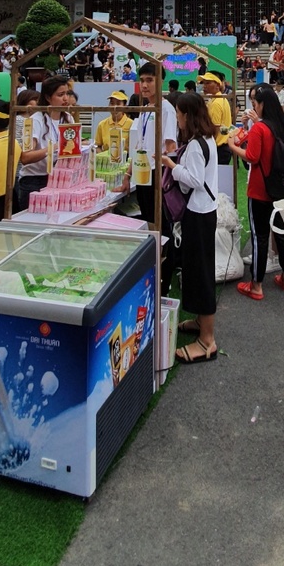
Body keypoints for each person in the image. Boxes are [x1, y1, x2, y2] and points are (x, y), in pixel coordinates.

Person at [162, 92, 219, 363]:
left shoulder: (197, 144)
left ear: (187, 115)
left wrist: (171, 166)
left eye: (178, 114)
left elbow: (193, 180)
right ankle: (200, 322)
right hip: (204, 210)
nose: (178, 120)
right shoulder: (207, 138)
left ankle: (207, 340)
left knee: (201, 273)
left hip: (198, 213)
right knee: (198, 270)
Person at [229, 84, 284, 299]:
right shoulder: (283, 126)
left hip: (260, 190)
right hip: (282, 190)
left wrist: (232, 145)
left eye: (255, 103)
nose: (254, 107)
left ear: (262, 105)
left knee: (260, 236)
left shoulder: (260, 128)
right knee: (282, 233)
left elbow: (252, 156)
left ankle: (256, 285)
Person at [120, 62, 177, 227]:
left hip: (157, 172)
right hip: (141, 171)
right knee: (147, 217)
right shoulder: (145, 109)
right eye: (142, 80)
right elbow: (139, 146)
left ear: (160, 81)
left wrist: (164, 174)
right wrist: (128, 175)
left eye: (150, 80)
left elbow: (171, 147)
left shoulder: (166, 109)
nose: (144, 85)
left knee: (160, 219)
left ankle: (163, 252)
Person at [16, 76, 75, 212]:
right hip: (34, 181)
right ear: (48, 98)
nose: (66, 99)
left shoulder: (68, 118)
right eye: (60, 95)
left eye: (67, 94)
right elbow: (25, 157)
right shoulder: (36, 120)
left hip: (60, 179)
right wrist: (52, 148)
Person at [198, 72, 233, 164]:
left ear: (217, 85)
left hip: (218, 149)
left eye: (208, 83)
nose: (204, 86)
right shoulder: (221, 99)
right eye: (204, 83)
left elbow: (214, 129)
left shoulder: (215, 104)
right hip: (223, 147)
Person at [95, 91, 133, 157]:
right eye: (112, 103)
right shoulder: (102, 124)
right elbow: (98, 146)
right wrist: (104, 157)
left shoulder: (132, 124)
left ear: (124, 106)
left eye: (118, 104)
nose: (115, 106)